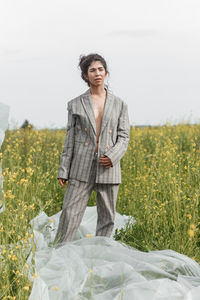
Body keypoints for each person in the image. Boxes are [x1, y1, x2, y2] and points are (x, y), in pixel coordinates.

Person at [54, 53, 130, 247]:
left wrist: (112, 156)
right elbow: (70, 138)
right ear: (85, 75)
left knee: (107, 218)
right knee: (70, 214)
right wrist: (64, 169)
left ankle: (101, 257)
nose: (97, 73)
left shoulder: (120, 104)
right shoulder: (75, 104)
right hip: (81, 165)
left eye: (100, 69)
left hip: (108, 167)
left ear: (106, 72)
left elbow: (124, 137)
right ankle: (59, 253)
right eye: (92, 70)